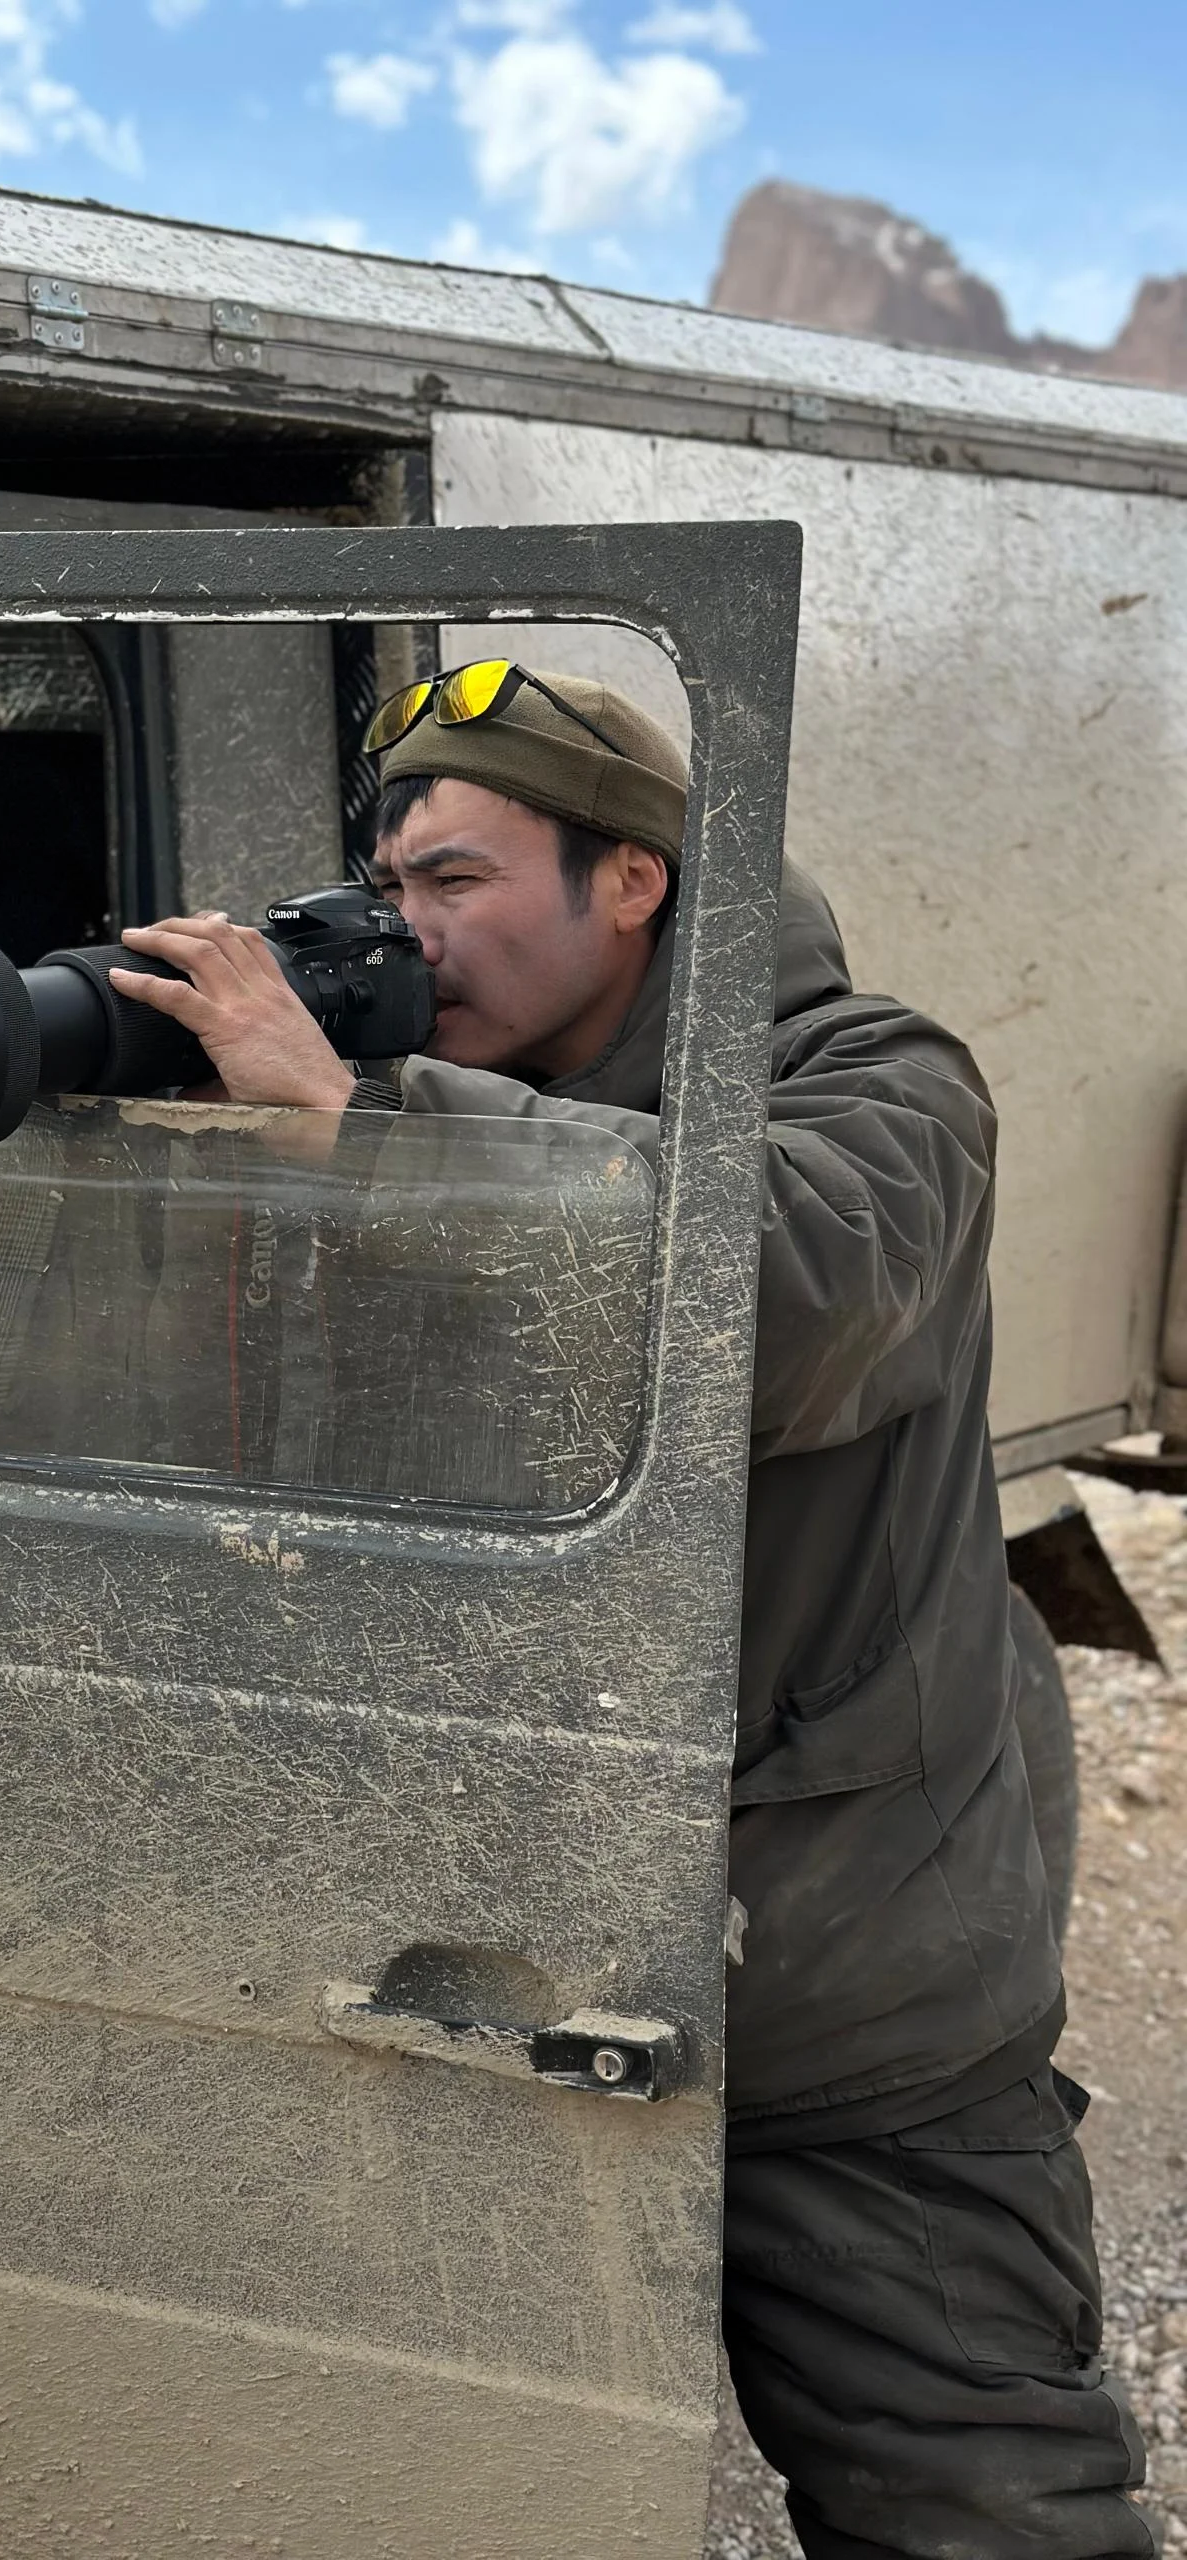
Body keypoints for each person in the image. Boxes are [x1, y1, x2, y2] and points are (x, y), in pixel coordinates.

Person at [108, 662, 1154, 2560]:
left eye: (455, 883)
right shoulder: (436, 1102)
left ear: (635, 883)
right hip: (471, 1959)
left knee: (977, 2502)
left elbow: (779, 1312)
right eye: (389, 885)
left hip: (835, 1996)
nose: (405, 932)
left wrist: (371, 1129)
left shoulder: (882, 1081)